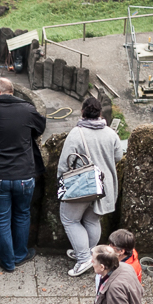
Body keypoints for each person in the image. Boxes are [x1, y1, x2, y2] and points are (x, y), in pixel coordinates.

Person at [0, 76, 45, 273]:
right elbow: (40, 127)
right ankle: (20, 254)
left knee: (1, 218)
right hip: (24, 174)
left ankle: (7, 262)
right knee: (22, 214)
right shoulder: (27, 109)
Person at [57, 96, 123, 278]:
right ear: (100, 113)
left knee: (70, 220)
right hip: (104, 186)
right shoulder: (111, 133)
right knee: (92, 221)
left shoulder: (76, 134)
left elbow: (64, 163)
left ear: (82, 112)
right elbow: (118, 156)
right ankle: (88, 253)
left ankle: (83, 258)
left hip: (82, 185)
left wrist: (60, 183)